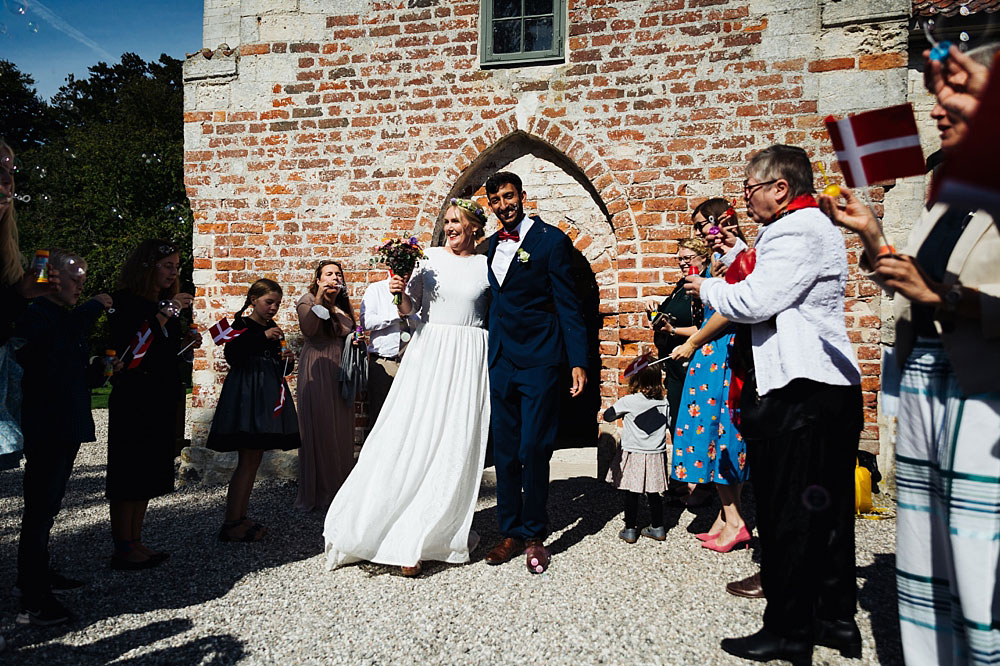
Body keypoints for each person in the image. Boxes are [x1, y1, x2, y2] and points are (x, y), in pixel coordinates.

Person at [820, 43, 999, 666]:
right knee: (925, 557)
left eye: (960, 93)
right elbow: (915, 279)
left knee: (980, 560)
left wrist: (946, 298)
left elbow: (951, 291)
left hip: (983, 394)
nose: (939, 105)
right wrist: (871, 236)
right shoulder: (952, 192)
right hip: (924, 379)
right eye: (937, 93)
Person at [687, 145, 863, 663]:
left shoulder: (794, 229)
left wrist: (708, 287)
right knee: (827, 514)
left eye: (750, 188)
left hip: (798, 391)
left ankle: (788, 629)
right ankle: (834, 619)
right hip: (828, 388)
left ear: (779, 188)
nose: (747, 198)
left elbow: (756, 301)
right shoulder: (816, 227)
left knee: (789, 514)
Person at [324, 198, 490, 576]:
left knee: (455, 441)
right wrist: (400, 292)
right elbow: (409, 311)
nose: (449, 227)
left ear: (474, 227)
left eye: (457, 221)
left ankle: (434, 532)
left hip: (469, 355)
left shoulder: (486, 266)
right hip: (430, 351)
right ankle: (391, 530)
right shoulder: (428, 259)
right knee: (410, 434)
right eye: (446, 221)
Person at [483, 171, 588, 574]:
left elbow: (568, 305)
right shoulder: (490, 245)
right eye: (496, 200)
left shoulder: (552, 241)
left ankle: (534, 534)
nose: (504, 205)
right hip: (502, 360)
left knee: (534, 448)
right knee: (506, 452)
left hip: (541, 358)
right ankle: (509, 531)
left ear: (522, 196)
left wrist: (577, 360)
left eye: (509, 197)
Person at [14, 250, 113, 626]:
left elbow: (67, 370)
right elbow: (46, 363)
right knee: (40, 509)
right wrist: (91, 308)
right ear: (51, 277)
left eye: (85, 278)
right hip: (47, 425)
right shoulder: (36, 315)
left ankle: (37, 575)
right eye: (76, 277)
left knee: (47, 508)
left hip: (63, 424)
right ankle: (33, 598)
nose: (82, 284)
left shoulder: (61, 318)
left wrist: (98, 373)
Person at [107, 239, 200, 570]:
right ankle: (122, 545)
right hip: (134, 394)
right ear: (147, 266)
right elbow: (131, 350)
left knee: (146, 468)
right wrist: (167, 312)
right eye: (168, 265)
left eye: (177, 266)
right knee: (128, 468)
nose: (174, 272)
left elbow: (161, 351)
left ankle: (136, 539)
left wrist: (185, 342)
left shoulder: (163, 305)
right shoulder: (126, 302)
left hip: (160, 392)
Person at [671, 200, 750, 551]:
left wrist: (693, 343)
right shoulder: (723, 261)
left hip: (719, 355)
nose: (702, 231)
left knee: (719, 436)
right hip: (712, 352)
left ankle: (735, 522)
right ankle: (725, 516)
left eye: (705, 224)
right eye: (699, 226)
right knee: (717, 436)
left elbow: (728, 314)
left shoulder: (735, 260)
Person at [207, 278, 299, 541]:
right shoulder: (242, 325)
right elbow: (233, 356)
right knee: (246, 458)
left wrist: (287, 362)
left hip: (267, 394)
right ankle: (231, 521)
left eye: (277, 304)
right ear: (253, 300)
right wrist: (261, 337)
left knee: (254, 459)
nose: (273, 308)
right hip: (247, 395)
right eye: (269, 302)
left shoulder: (274, 328)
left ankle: (240, 516)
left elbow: (279, 366)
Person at [295, 260, 356, 511]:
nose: (334, 278)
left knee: (340, 429)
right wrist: (321, 297)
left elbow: (351, 330)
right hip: (317, 366)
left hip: (340, 369)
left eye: (338, 274)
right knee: (320, 427)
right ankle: (319, 492)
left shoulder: (342, 306)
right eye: (328, 274)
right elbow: (309, 329)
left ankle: (341, 490)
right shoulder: (308, 300)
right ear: (318, 279)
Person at [646, 237, 708, 430]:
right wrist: (655, 309)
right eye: (679, 259)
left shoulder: (703, 286)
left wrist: (672, 330)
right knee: (677, 421)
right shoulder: (683, 285)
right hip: (674, 364)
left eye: (688, 258)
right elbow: (669, 316)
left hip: (691, 362)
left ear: (704, 258)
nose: (683, 263)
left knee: (692, 422)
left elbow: (705, 325)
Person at [603, 365, 669, 543]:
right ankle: (658, 527)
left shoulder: (629, 401)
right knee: (654, 494)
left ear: (635, 380)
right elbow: (669, 423)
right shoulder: (664, 402)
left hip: (634, 454)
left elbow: (608, 416)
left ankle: (630, 529)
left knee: (632, 493)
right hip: (655, 453)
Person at [360, 276, 416, 430]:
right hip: (384, 362)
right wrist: (395, 317)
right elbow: (367, 322)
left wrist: (409, 310)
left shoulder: (418, 290)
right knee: (379, 418)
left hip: (414, 363)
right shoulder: (376, 289)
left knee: (409, 419)